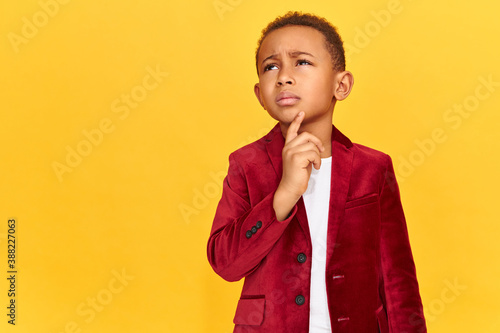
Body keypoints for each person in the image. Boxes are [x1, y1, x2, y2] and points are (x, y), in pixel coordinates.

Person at [207, 11, 426, 333]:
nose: (283, 76)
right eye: (271, 66)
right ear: (259, 95)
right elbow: (226, 264)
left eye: (302, 62)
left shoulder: (373, 168)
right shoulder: (246, 164)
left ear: (341, 85)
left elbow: (397, 279)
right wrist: (283, 194)